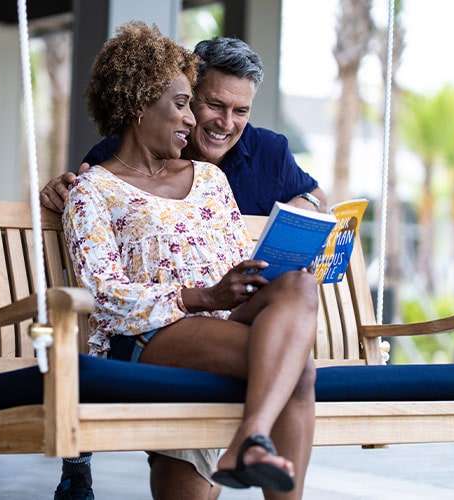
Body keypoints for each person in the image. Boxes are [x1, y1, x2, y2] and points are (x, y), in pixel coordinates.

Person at [50, 34, 327, 500]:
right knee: (297, 368)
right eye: (184, 104)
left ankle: (249, 439)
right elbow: (101, 295)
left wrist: (259, 273)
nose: (191, 118)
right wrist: (199, 297)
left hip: (220, 320)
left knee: (299, 286)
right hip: (152, 330)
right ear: (140, 106)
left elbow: (236, 259)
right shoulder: (93, 187)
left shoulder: (213, 178)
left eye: (188, 105)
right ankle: (250, 441)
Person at [41, 36, 327, 218]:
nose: (226, 123)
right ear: (189, 95)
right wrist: (60, 191)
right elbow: (81, 199)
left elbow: (316, 195)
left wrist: (306, 203)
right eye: (215, 105)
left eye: (240, 111)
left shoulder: (271, 151)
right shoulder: (117, 155)